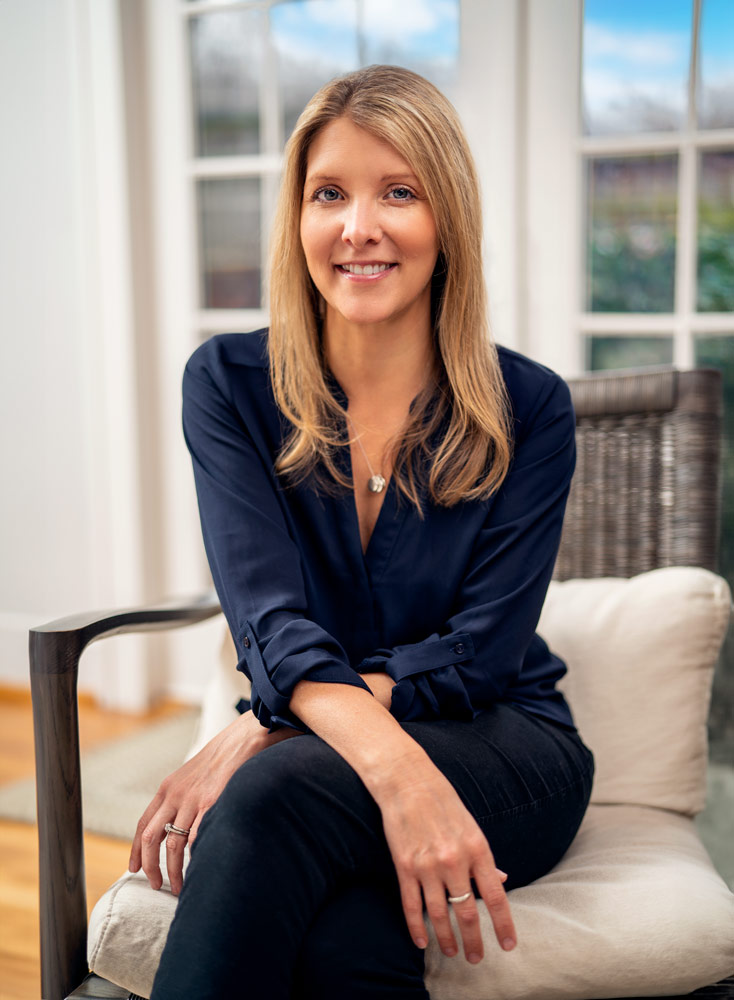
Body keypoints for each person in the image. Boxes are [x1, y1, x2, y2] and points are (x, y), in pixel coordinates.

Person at [130, 64, 594, 999]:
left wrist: (277, 730)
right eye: (329, 193)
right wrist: (382, 764)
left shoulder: (532, 407)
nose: (358, 228)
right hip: (338, 760)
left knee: (267, 799)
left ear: (446, 221)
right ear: (296, 218)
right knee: (343, 942)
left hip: (508, 748)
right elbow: (271, 620)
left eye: (400, 192)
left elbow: (481, 654)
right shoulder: (226, 387)